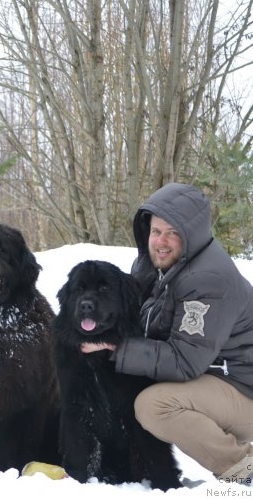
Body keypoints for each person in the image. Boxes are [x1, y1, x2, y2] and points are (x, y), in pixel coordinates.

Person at [82, 183, 253, 486]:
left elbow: (184, 360)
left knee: (154, 406)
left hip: (242, 389)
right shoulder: (154, 265)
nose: (161, 241)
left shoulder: (208, 280)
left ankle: (243, 470)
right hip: (216, 378)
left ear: (192, 235)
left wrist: (115, 348)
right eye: (156, 231)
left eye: (172, 232)